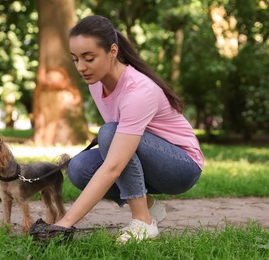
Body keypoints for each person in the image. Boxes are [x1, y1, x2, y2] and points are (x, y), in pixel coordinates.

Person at [53, 15, 204, 243]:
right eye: (75, 59)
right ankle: (148, 207)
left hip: (182, 166)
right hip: (147, 157)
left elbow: (114, 165)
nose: (81, 67)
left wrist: (64, 223)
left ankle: (142, 221)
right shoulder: (96, 82)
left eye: (89, 58)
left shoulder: (138, 90)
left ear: (112, 51)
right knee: (78, 168)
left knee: (109, 133)